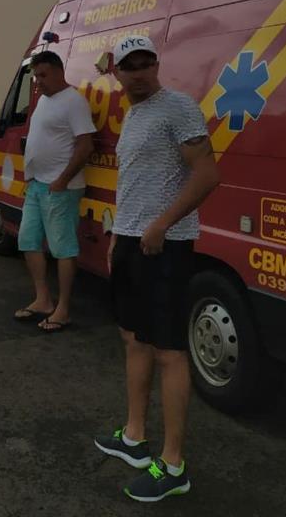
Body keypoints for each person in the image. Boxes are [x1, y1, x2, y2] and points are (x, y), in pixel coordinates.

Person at [93, 35, 220, 503]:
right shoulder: (135, 114)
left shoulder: (178, 108)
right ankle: (133, 436)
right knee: (133, 337)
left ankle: (172, 465)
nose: (141, 71)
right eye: (131, 65)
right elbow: (137, 180)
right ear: (120, 73)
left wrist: (160, 226)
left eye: (147, 63)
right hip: (130, 241)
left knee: (168, 351)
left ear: (156, 65)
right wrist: (118, 234)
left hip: (165, 246)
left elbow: (208, 174)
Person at [13, 51, 96, 332]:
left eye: (43, 75)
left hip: (60, 188)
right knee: (28, 241)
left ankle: (63, 309)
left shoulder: (73, 102)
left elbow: (85, 146)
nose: (38, 81)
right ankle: (43, 300)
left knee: (62, 250)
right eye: (36, 76)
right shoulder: (44, 102)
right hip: (37, 185)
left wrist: (62, 179)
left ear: (60, 72)